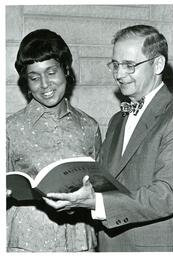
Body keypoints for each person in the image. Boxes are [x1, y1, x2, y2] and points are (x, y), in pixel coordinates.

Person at [44, 25, 173, 252]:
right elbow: (103, 182)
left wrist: (97, 202)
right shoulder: (118, 119)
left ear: (158, 64)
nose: (119, 74)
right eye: (115, 64)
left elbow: (169, 194)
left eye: (129, 65)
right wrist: (72, 195)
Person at [6, 29, 102, 252]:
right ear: (26, 82)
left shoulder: (89, 126)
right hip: (27, 243)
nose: (44, 84)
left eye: (51, 72)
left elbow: (101, 188)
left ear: (66, 70)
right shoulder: (10, 128)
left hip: (80, 243)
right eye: (34, 77)